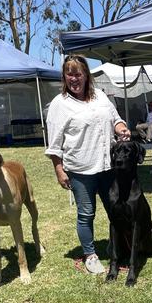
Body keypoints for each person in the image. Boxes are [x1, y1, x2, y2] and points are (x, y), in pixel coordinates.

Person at [45, 54, 131, 275]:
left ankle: (117, 249)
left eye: (78, 73)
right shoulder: (59, 105)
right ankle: (90, 254)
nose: (74, 78)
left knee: (115, 211)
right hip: (80, 170)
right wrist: (59, 169)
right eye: (69, 74)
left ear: (86, 75)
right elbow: (54, 144)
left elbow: (115, 119)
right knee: (86, 213)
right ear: (64, 77)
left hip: (107, 167)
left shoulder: (100, 96)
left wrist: (121, 128)